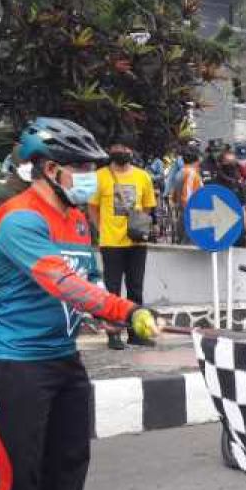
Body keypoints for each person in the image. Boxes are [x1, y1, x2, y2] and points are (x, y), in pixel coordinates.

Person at [0, 117, 158, 490]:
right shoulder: (19, 218)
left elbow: (86, 280)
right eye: (81, 167)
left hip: (61, 357)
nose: (90, 176)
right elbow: (61, 281)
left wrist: (106, 320)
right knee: (16, 468)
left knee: (68, 458)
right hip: (11, 360)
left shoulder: (77, 220)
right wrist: (126, 310)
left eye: (92, 168)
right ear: (49, 168)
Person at [89, 135, 158, 350]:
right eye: (117, 145)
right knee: (112, 291)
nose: (122, 149)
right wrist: (102, 229)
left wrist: (138, 227)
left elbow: (148, 206)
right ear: (110, 149)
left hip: (136, 243)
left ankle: (137, 333)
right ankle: (114, 335)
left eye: (126, 146)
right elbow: (92, 207)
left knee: (135, 289)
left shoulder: (143, 176)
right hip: (111, 243)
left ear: (131, 150)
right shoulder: (99, 176)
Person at [206, 149, 246, 248]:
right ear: (220, 164)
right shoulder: (211, 185)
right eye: (228, 163)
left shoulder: (237, 185)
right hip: (218, 232)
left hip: (237, 232)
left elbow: (242, 209)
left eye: (233, 163)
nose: (231, 166)